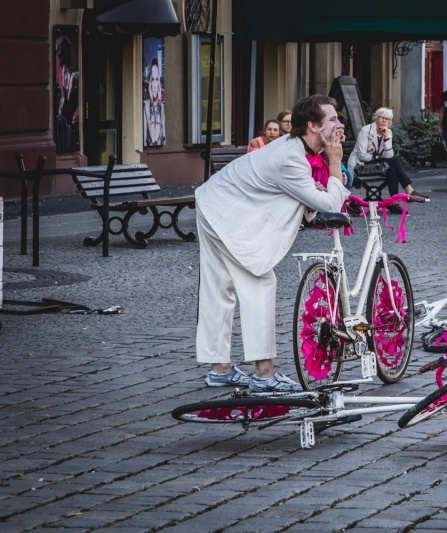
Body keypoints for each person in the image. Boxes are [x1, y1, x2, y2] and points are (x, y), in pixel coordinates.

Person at [194, 95, 350, 392]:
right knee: (259, 283)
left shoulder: (293, 149)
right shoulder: (291, 157)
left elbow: (291, 192)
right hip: (223, 210)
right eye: (333, 119)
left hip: (213, 202)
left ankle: (220, 368)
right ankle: (264, 374)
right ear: (314, 126)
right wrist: (335, 162)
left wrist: (312, 191)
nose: (339, 124)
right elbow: (330, 203)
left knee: (219, 287)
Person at [347, 107, 428, 214]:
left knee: (392, 170)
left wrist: (386, 138)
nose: (385, 121)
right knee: (394, 162)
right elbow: (362, 156)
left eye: (388, 119)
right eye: (382, 118)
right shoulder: (365, 131)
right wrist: (378, 158)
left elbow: (389, 155)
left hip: (375, 165)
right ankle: (409, 190)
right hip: (360, 166)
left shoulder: (388, 133)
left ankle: (394, 203)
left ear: (390, 122)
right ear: (376, 118)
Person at [144, 57, 165, 146]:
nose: (155, 85)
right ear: (150, 82)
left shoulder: (163, 105)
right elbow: (153, 138)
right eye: (153, 79)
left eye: (157, 79)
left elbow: (157, 138)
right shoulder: (147, 104)